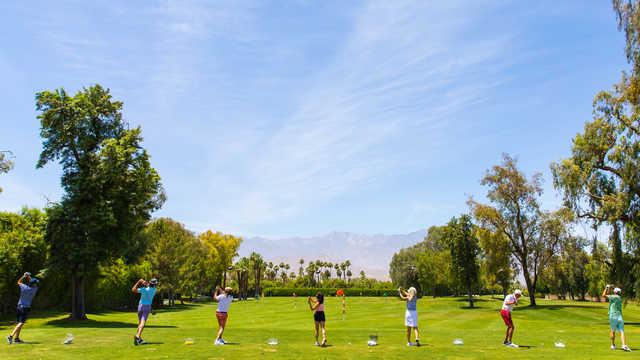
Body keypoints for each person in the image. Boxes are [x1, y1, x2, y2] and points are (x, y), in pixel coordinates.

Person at [7, 272, 39, 345]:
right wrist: (29, 276)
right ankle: (10, 336)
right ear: (34, 284)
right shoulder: (34, 289)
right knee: (21, 323)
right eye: (36, 283)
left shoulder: (24, 287)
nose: (37, 284)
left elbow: (18, 282)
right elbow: (33, 282)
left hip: (19, 306)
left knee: (19, 323)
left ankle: (16, 339)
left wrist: (24, 276)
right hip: (25, 308)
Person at [602, 285, 631, 352]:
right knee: (622, 331)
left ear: (615, 292)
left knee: (612, 330)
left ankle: (613, 345)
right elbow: (608, 295)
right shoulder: (619, 297)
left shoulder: (614, 297)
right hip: (619, 316)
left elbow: (603, 295)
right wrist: (609, 288)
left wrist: (606, 287)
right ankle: (624, 345)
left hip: (613, 316)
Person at [132, 278, 158, 346]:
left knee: (140, 323)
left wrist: (139, 282)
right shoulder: (154, 290)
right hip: (147, 307)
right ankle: (137, 337)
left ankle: (139, 338)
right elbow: (149, 297)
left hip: (140, 306)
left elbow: (133, 289)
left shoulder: (143, 289)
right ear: (155, 285)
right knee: (142, 323)